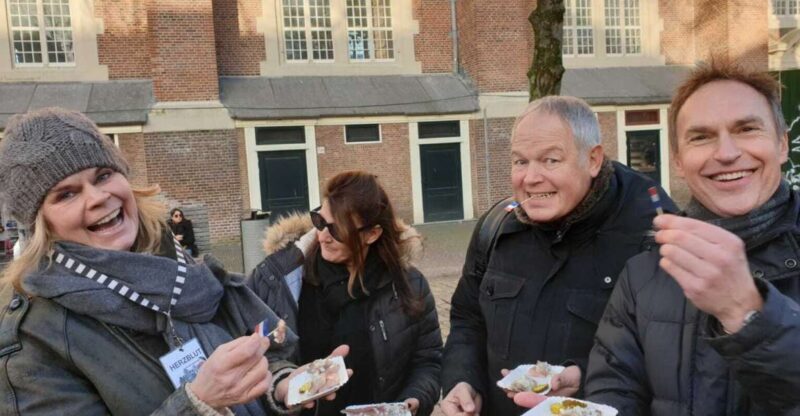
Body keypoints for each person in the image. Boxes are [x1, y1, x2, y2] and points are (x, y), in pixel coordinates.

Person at [0, 107, 346, 415]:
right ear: (40, 224)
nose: (98, 197)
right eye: (67, 194)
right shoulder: (33, 343)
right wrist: (196, 403)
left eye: (103, 175)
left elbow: (263, 354)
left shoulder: (187, 270)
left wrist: (284, 385)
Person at [568, 60, 800, 414]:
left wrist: (747, 312)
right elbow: (615, 386)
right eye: (701, 137)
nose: (726, 153)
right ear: (678, 160)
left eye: (747, 129)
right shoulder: (643, 273)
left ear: (782, 145)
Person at [440, 96, 677, 415]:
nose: (531, 178)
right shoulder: (496, 228)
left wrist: (584, 376)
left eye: (550, 160)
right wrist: (462, 381)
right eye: (520, 161)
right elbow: (468, 318)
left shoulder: (652, 235)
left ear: (593, 160)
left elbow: (675, 355)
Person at [248, 171, 443, 416]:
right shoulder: (277, 282)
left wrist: (412, 401)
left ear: (372, 234)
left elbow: (428, 360)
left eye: (338, 230)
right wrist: (285, 384)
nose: (323, 236)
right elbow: (251, 358)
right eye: (319, 221)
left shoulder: (410, 285)